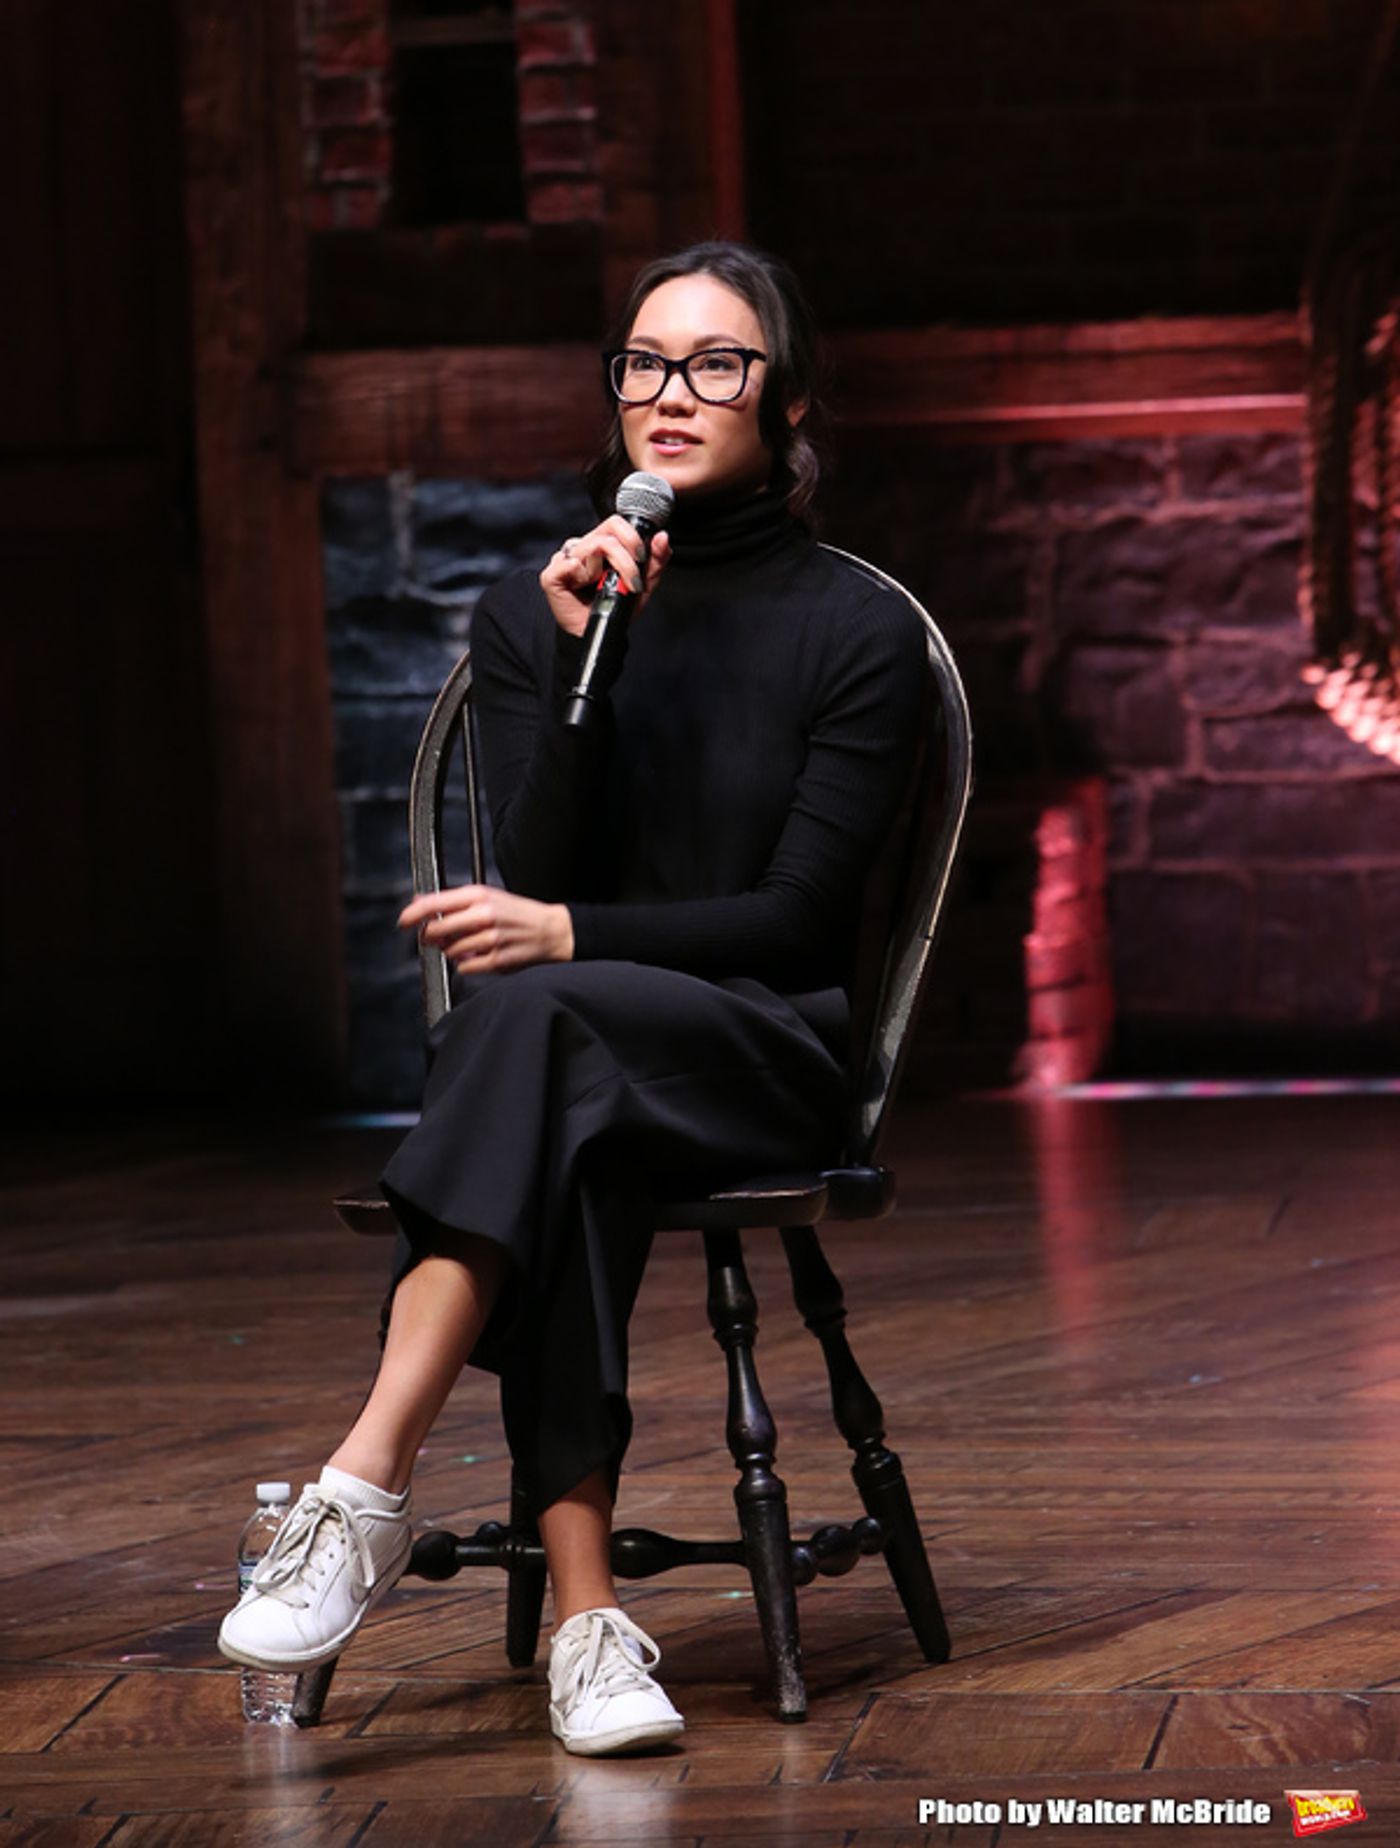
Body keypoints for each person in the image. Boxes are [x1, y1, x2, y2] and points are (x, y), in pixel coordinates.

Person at [218, 240, 927, 1754]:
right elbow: (533, 871)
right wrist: (579, 664)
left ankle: (363, 1486)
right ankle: (589, 1630)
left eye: (717, 363)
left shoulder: (859, 629)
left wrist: (568, 934)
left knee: (534, 1031)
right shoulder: (539, 609)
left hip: (762, 1049)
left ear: (789, 397)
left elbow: (796, 923)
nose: (672, 392)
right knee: (561, 1108)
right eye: (644, 363)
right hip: (584, 1061)